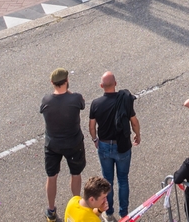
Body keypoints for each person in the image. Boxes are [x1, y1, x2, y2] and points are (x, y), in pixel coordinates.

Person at [88, 70, 139, 219]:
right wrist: (138, 134)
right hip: (122, 146)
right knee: (123, 180)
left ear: (101, 86)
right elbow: (134, 121)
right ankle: (124, 213)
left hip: (104, 146)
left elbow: (92, 126)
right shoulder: (124, 100)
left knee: (107, 181)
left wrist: (95, 139)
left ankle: (109, 212)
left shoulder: (96, 103)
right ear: (115, 84)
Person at [41, 68, 87, 222]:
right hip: (73, 143)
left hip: (52, 144)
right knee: (75, 173)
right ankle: (76, 205)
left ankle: (51, 210)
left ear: (52, 82)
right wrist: (68, 91)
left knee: (52, 176)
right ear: (67, 81)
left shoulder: (46, 100)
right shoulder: (75, 98)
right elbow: (82, 104)